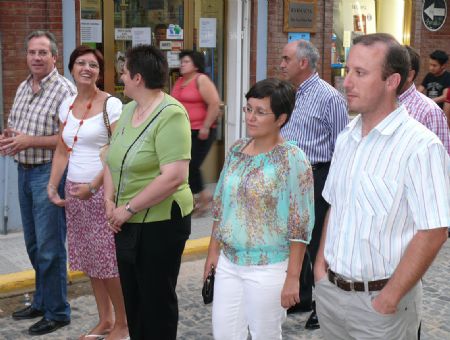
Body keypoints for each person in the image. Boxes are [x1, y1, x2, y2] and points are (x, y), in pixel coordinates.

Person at [314, 33, 450, 340]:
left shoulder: (420, 146)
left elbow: (434, 231)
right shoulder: (348, 135)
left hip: (381, 306)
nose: (347, 82)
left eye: (360, 73)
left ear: (392, 82)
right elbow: (335, 204)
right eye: (348, 71)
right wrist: (321, 270)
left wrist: (389, 298)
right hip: (331, 296)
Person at [204, 78, 314, 340]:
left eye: (260, 112)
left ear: (281, 118)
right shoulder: (236, 149)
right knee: (225, 334)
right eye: (248, 109)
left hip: (269, 266)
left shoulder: (292, 159)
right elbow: (221, 206)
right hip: (230, 262)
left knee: (265, 335)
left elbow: (301, 224)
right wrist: (212, 253)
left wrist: (293, 277)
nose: (251, 117)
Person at [103, 45, 193, 340]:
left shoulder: (172, 114)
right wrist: (108, 201)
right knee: (134, 299)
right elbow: (111, 158)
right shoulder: (128, 109)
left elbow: (174, 176)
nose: (121, 77)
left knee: (156, 302)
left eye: (125, 72)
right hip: (125, 222)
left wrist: (126, 209)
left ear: (138, 77)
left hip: (161, 223)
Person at [47, 45, 128, 340]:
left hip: (102, 192)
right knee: (90, 260)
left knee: (108, 261)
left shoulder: (111, 105)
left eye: (93, 65)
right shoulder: (66, 105)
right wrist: (53, 184)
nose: (86, 68)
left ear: (99, 71)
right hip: (74, 192)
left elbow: (118, 153)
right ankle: (105, 320)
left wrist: (93, 186)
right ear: (71, 68)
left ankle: (123, 323)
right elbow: (62, 148)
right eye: (81, 63)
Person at [0, 30, 75, 336]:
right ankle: (43, 301)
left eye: (43, 52)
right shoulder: (22, 86)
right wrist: (9, 137)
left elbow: (68, 138)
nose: (37, 57)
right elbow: (17, 126)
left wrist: (29, 140)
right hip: (24, 170)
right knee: (33, 243)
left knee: (50, 246)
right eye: (32, 52)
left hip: (49, 172)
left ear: (54, 57)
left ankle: (58, 311)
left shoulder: (64, 90)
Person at [279, 39, 348, 329]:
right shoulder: (287, 94)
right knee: (295, 239)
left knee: (320, 244)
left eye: (286, 59)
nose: (280, 64)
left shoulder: (330, 97)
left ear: (302, 63)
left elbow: (342, 146)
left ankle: (325, 305)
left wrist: (333, 189)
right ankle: (302, 296)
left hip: (318, 175)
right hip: (288, 177)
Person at [171, 50, 221, 215]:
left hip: (201, 131)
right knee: (185, 165)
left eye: (186, 61)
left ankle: (203, 197)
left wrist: (206, 126)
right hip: (182, 131)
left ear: (195, 64)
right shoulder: (179, 81)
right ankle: (198, 198)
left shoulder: (201, 80)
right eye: (181, 62)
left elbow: (214, 104)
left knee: (191, 164)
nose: (182, 64)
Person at [399, 46, 450, 155]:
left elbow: (445, 96)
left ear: (443, 65)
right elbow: (420, 89)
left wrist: (428, 101)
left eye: (434, 65)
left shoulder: (447, 77)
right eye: (430, 64)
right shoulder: (429, 76)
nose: (431, 68)